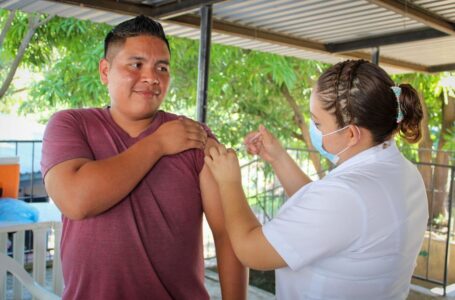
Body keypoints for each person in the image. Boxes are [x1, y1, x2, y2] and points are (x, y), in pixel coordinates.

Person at [41, 15, 247, 300]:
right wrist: (158, 143)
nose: (152, 77)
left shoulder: (193, 136)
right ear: (105, 71)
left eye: (161, 67)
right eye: (136, 64)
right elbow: (77, 200)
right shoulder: (71, 125)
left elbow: (229, 235)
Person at [205, 60, 429, 299]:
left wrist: (229, 182)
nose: (314, 128)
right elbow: (325, 219)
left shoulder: (346, 196)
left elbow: (251, 251)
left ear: (352, 134)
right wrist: (278, 157)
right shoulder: (401, 171)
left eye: (318, 123)